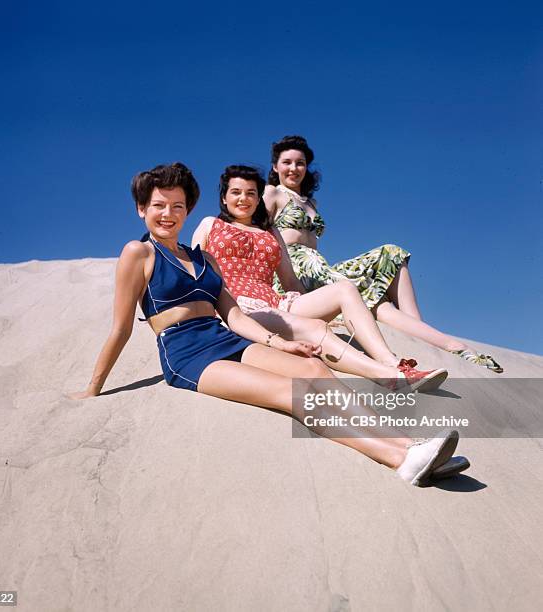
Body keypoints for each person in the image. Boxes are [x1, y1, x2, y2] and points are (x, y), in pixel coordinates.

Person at [69, 162, 467, 486]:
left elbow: (235, 316)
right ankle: (400, 460)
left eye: (177, 206)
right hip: (187, 354)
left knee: (314, 367)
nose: (168, 214)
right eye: (158, 205)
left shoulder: (203, 259)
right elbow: (121, 328)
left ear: (187, 210)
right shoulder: (138, 253)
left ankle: (408, 443)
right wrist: (93, 388)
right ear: (142, 208)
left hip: (223, 337)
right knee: (292, 393)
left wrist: (280, 344)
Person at [192, 165, 448, 392]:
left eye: (250, 193)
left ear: (259, 199)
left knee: (345, 289)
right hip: (238, 307)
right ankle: (388, 377)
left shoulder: (270, 232)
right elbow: (196, 274)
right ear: (224, 198)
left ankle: (390, 361)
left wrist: (313, 308)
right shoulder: (209, 224)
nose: (243, 198)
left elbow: (290, 281)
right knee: (315, 329)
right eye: (236, 192)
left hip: (277, 302)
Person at [263, 135, 503, 373]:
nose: (294, 168)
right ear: (276, 166)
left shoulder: (311, 202)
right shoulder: (272, 193)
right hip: (294, 273)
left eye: (300, 163)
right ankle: (452, 346)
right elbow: (257, 235)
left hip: (320, 270)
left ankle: (420, 330)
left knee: (391, 253)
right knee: (371, 298)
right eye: (287, 162)